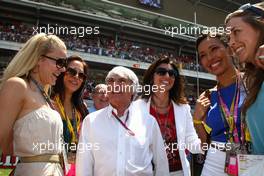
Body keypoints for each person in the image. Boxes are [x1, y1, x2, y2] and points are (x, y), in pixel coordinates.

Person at [76, 66, 170, 176]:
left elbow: (161, 164)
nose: (115, 85)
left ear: (132, 89)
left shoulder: (149, 122)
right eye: (111, 81)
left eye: (121, 81)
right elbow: (84, 165)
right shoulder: (91, 121)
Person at [0, 33, 67, 175]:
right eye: (59, 62)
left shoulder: (47, 98)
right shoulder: (17, 85)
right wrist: (30, 156)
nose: (63, 69)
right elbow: (3, 142)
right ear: (39, 59)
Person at [135, 57, 202, 176]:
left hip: (178, 172)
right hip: (148, 172)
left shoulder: (183, 108)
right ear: (152, 77)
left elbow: (190, 140)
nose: (167, 76)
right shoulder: (137, 107)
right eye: (161, 72)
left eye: (172, 74)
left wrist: (209, 144)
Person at [194, 33, 247, 176]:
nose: (210, 58)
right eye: (203, 55)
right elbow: (204, 144)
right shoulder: (207, 96)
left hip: (250, 157)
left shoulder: (252, 84)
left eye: (214, 49)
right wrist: (198, 120)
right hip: (214, 160)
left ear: (229, 49)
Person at [225, 2, 264, 155]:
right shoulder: (252, 81)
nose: (231, 43)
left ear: (260, 27)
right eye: (228, 38)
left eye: (236, 32)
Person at [52, 55, 89, 176]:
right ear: (62, 72)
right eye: (72, 72)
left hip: (71, 169)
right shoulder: (47, 101)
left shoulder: (82, 108)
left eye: (81, 75)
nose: (76, 77)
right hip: (47, 168)